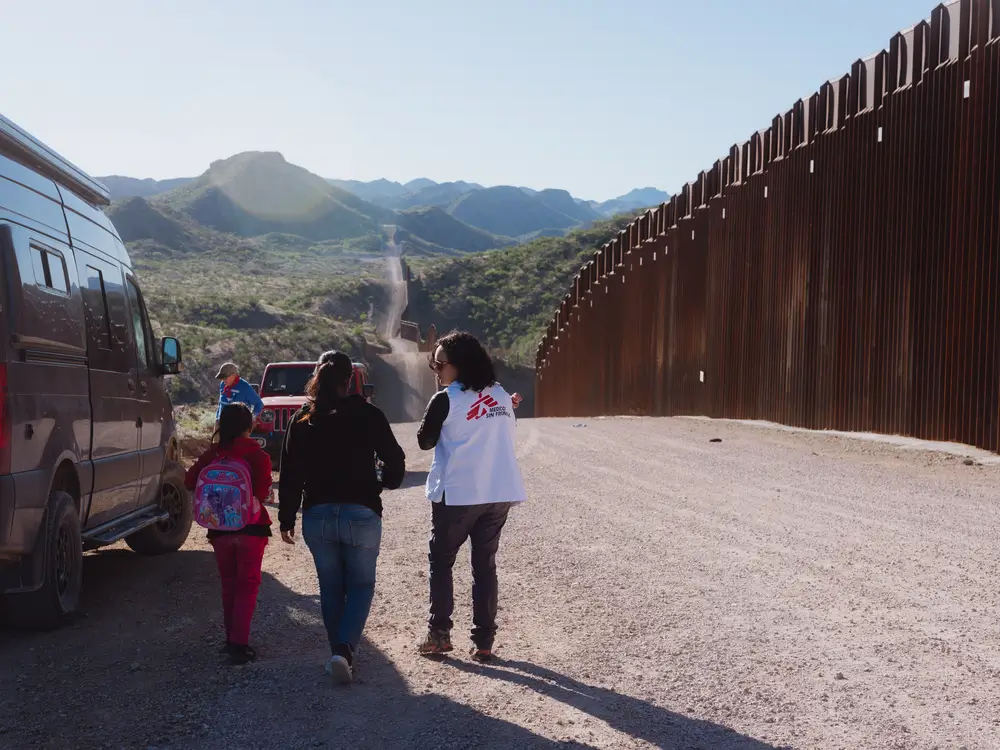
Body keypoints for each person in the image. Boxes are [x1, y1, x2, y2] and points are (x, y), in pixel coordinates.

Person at [278, 350, 406, 684]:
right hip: (360, 513)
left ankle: (339, 653)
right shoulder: (368, 413)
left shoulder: (303, 417)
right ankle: (344, 652)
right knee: (361, 585)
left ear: (317, 376)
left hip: (317, 516)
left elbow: (289, 472)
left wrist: (287, 517)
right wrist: (384, 482)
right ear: (350, 379)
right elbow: (396, 461)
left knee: (331, 587)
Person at [416, 330, 527, 662]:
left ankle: (439, 635)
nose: (435, 371)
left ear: (458, 366)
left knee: (442, 561)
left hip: (460, 494)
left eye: (439, 365)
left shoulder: (446, 399)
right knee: (485, 564)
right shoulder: (502, 395)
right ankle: (483, 642)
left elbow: (424, 441)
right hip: (499, 493)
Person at [184, 403, 273, 665]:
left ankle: (230, 639)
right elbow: (263, 492)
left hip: (219, 530)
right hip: (252, 530)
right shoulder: (257, 455)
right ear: (249, 427)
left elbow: (190, 481)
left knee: (229, 584)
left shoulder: (213, 454)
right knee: (247, 586)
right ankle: (239, 644)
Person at [215, 362, 264, 431]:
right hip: (220, 423)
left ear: (234, 375)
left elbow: (259, 404)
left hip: (237, 427)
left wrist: (251, 419)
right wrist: (217, 418)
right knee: (217, 442)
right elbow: (221, 402)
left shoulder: (245, 387)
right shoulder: (223, 384)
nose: (223, 380)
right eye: (222, 378)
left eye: (225, 378)